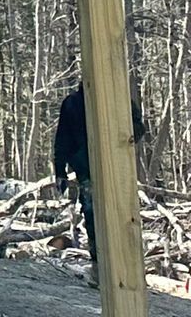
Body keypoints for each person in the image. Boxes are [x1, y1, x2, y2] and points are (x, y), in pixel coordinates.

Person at [52, 83, 147, 286]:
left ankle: (127, 272)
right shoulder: (73, 104)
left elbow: (138, 128)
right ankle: (99, 270)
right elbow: (62, 139)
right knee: (93, 218)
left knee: (123, 218)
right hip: (87, 171)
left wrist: (122, 139)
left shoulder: (117, 99)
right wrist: (60, 171)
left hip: (117, 170)